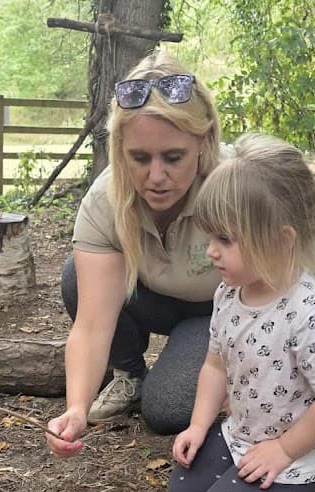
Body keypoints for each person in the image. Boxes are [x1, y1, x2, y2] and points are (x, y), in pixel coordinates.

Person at [168, 134, 315, 492]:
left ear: (282, 239)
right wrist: (197, 425)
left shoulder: (313, 311)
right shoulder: (229, 292)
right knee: (183, 491)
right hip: (244, 432)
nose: (211, 251)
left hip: (300, 451)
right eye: (210, 237)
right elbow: (215, 364)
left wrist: (283, 451)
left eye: (225, 240)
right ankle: (249, 478)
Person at [46, 52, 224, 456]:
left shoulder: (236, 187)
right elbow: (91, 325)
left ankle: (197, 376)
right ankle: (130, 374)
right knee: (78, 274)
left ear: (203, 139)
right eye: (139, 158)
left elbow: (275, 298)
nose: (156, 177)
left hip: (219, 315)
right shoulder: (104, 201)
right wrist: (75, 409)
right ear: (120, 148)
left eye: (173, 157)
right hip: (155, 301)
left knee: (166, 411)